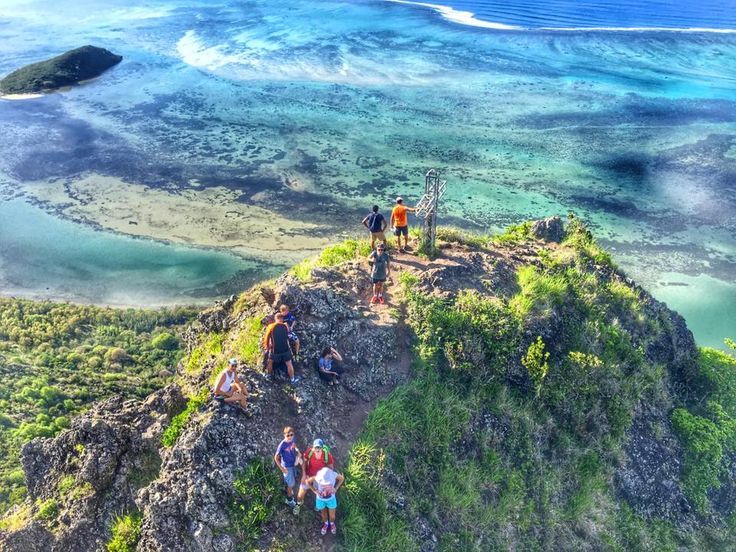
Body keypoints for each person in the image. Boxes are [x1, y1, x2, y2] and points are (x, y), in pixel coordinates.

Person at [296, 438, 334, 512]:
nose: (317, 449)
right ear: (313, 448)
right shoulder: (309, 452)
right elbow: (304, 461)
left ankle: (318, 505)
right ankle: (298, 504)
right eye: (315, 447)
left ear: (322, 448)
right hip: (309, 475)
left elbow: (331, 468)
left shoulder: (327, 455)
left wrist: (326, 480)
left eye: (319, 447)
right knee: (299, 496)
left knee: (320, 494)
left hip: (320, 479)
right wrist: (304, 474)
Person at [306, 466, 344, 536]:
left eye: (327, 484)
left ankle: (332, 524)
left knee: (332, 516)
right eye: (323, 484)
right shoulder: (318, 477)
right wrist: (314, 490)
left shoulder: (333, 475)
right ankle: (326, 524)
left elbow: (341, 478)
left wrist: (336, 488)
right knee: (323, 514)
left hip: (331, 499)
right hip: (320, 500)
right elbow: (307, 481)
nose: (325, 486)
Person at [263, 313, 300, 384]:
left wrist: (267, 347)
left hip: (275, 350)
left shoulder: (271, 326)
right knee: (289, 364)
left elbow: (266, 338)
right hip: (286, 349)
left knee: (270, 362)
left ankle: (268, 375)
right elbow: (290, 335)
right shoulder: (285, 326)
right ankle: (292, 379)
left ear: (275, 319)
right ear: (282, 319)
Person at [274, 426, 302, 512]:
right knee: (291, 484)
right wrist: (282, 468)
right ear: (284, 435)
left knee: (291, 481)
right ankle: (289, 500)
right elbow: (276, 457)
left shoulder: (292, 441)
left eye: (291, 435)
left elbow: (294, 446)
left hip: (292, 465)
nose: (290, 437)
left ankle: (289, 491)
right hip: (287, 467)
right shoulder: (282, 445)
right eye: (288, 435)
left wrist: (298, 452)